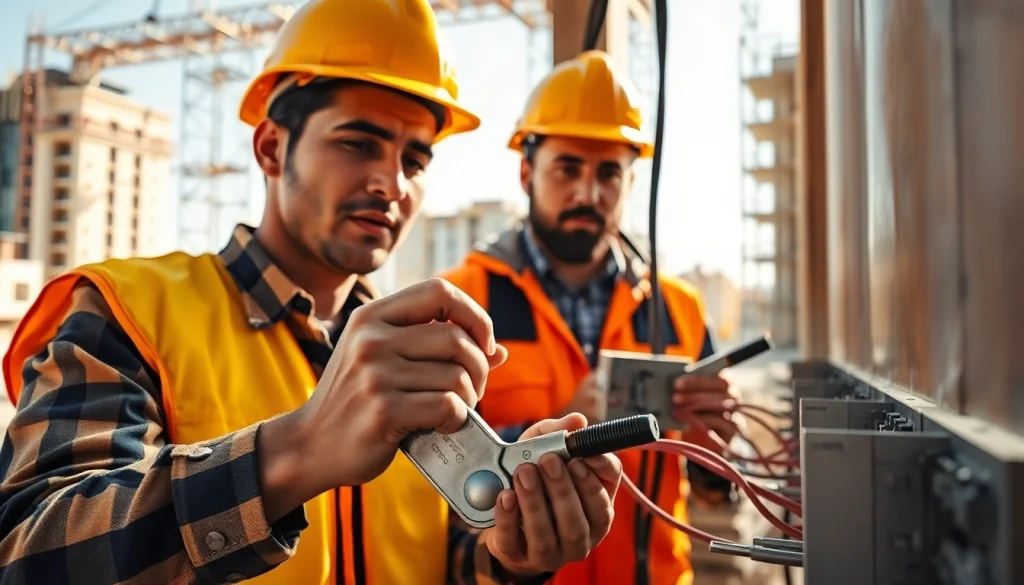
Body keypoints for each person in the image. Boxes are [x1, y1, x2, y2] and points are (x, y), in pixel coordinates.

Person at [0, 3, 623, 584]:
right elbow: (31, 551)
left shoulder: (416, 346)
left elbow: (436, 556)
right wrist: (295, 452)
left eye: (415, 159)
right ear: (272, 147)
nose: (391, 183)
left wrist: (508, 556)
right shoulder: (127, 309)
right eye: (358, 143)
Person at [441, 50, 739, 585]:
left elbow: (712, 495)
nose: (588, 193)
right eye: (568, 169)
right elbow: (437, 481)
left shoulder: (681, 309)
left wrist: (714, 458)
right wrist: (561, 422)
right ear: (527, 171)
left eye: (609, 173)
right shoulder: (462, 301)